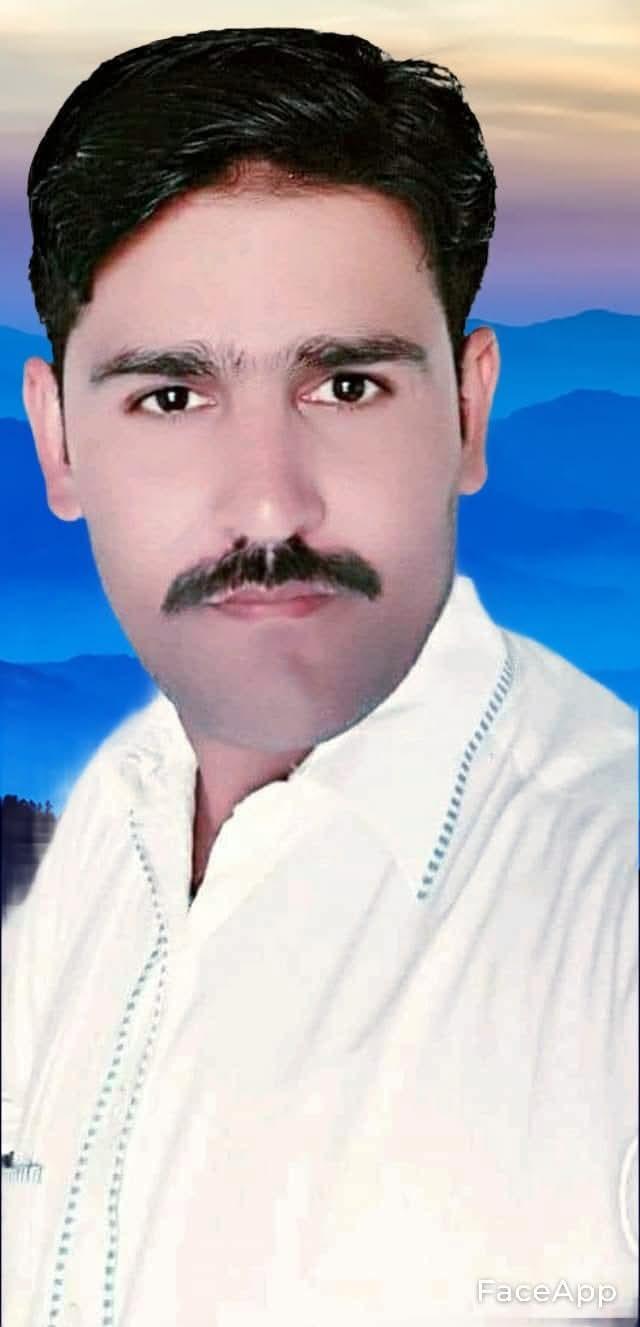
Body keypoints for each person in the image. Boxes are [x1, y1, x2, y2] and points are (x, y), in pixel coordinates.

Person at [2, 26, 637, 1327]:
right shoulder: (111, 815)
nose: (268, 505)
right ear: (57, 441)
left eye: (346, 384)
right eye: (171, 397)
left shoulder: (611, 909)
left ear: (468, 411)